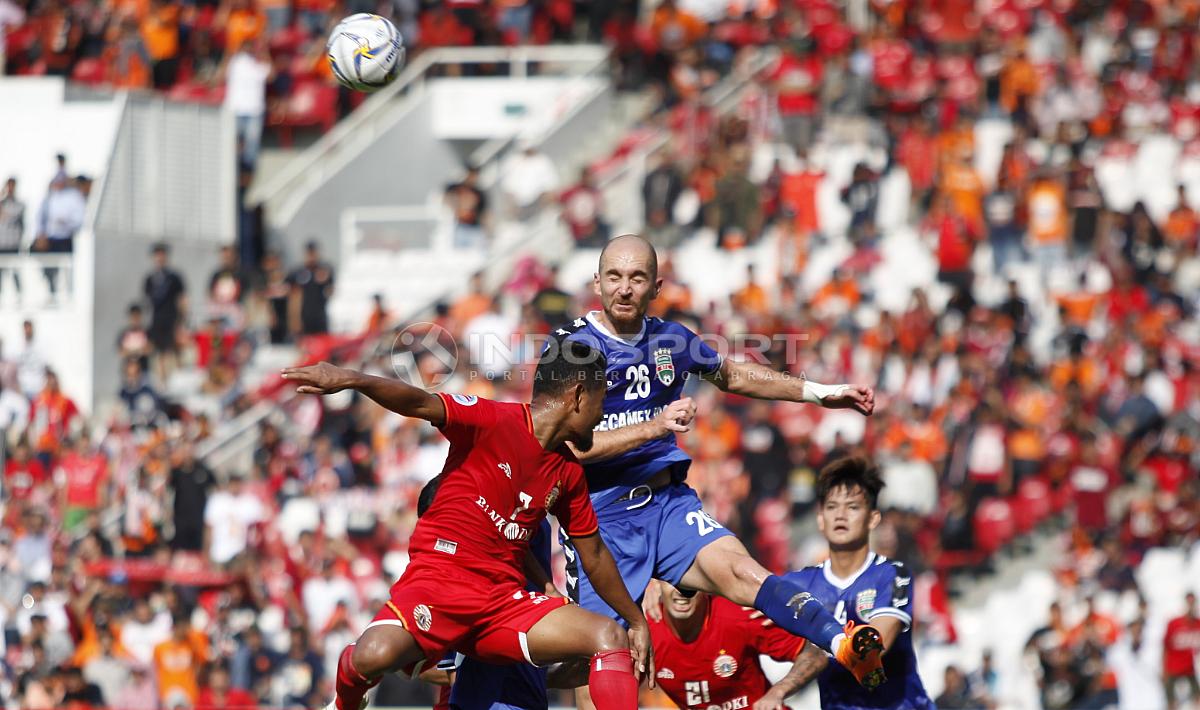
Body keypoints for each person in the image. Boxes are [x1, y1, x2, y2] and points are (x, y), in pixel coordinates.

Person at [550, 234, 885, 710]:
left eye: (637, 278)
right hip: (600, 520)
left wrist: (821, 392)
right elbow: (565, 447)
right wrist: (654, 427)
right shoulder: (570, 348)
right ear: (597, 282)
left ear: (656, 287)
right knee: (601, 657)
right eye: (615, 277)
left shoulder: (672, 339)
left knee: (743, 573)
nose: (624, 288)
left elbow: (734, 375)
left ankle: (842, 642)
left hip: (667, 505)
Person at [280, 341, 654, 710]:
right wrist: (351, 379)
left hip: (501, 602)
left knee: (609, 635)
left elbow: (594, 554)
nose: (601, 415)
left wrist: (636, 621)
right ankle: (344, 703)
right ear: (578, 396)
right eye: (602, 402)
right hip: (440, 580)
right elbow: (420, 402)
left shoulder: (567, 472)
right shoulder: (494, 420)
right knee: (372, 656)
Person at [781, 458, 933, 708]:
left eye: (852, 507)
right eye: (832, 507)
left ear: (873, 519)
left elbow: (875, 647)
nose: (840, 515)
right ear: (820, 519)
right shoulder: (800, 582)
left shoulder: (892, 575)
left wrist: (831, 643)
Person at [643, 582, 828, 710]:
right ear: (657, 584)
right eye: (671, 582)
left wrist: (778, 692)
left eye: (689, 585)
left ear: (704, 585)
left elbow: (815, 655)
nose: (681, 592)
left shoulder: (738, 616)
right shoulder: (644, 633)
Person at [143, 243, 186, 381]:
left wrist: (181, 321)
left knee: (174, 352)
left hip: (172, 320)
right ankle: (162, 382)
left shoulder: (174, 278)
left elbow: (182, 300)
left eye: (162, 255)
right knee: (159, 354)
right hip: (157, 321)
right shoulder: (150, 279)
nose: (159, 258)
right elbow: (147, 303)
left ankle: (178, 380)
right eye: (157, 255)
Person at [288, 241, 334, 337]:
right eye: (309, 253)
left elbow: (331, 290)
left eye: (314, 253)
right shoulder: (298, 272)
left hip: (320, 316)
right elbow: (293, 297)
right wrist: (294, 320)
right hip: (304, 317)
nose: (312, 256)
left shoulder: (324, 269)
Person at [1163, 592, 1200, 709]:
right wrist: (1164, 669)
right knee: (1171, 702)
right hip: (1173, 669)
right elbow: (1165, 647)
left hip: (1191, 670)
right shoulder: (1174, 623)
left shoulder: (1198, 624)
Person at [0, 176, 25, 300]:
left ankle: (19, 296)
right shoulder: (2, 203)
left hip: (13, 244)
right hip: (1, 244)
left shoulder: (19, 204)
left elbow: (12, 216)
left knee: (15, 271)